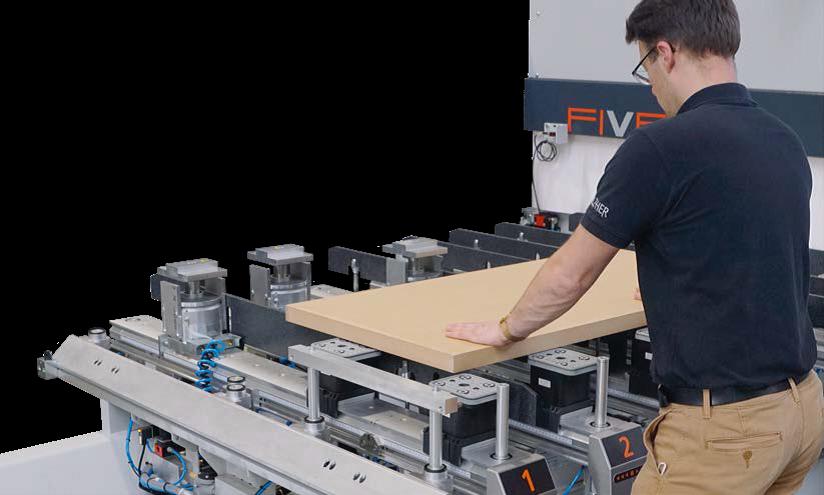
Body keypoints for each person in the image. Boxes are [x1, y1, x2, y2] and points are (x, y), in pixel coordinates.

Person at [444, 1, 823, 493]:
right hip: (802, 411)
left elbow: (571, 274)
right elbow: (760, 255)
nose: (651, 86)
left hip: (727, 433)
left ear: (666, 53)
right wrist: (676, 291)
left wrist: (506, 329)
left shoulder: (658, 148)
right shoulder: (784, 140)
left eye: (645, 66)